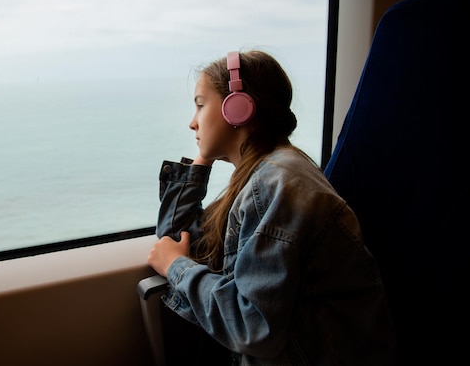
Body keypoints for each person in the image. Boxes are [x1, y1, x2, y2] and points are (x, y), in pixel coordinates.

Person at [147, 50, 396, 365]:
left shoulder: (277, 185)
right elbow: (175, 237)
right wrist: (204, 157)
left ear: (236, 108)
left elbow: (254, 327)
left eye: (200, 105)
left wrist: (176, 268)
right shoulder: (260, 176)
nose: (192, 122)